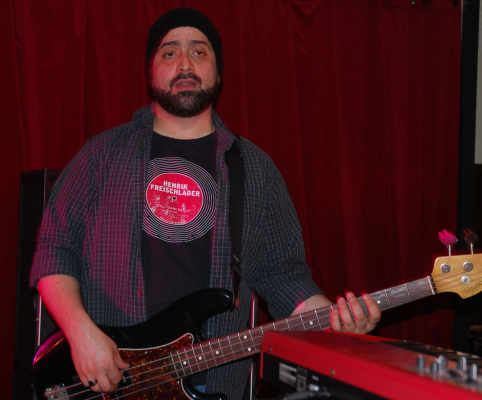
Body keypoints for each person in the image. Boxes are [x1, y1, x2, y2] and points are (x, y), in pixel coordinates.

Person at [30, 7, 381, 399]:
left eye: (199, 52)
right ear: (150, 72)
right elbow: (54, 251)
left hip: (211, 384)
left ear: (218, 73)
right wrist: (81, 335)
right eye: (169, 52)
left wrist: (336, 320)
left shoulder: (255, 169)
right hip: (110, 379)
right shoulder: (101, 156)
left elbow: (284, 276)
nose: (184, 64)